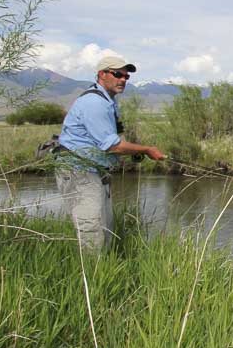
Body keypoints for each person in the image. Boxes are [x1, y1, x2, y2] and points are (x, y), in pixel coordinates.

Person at [56, 55, 166, 250]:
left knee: (104, 230)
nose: (123, 79)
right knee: (92, 230)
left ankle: (101, 270)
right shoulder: (94, 103)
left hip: (94, 172)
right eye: (117, 74)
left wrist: (131, 151)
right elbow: (111, 146)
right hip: (79, 172)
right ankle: (91, 276)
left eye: (126, 76)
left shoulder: (108, 100)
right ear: (102, 74)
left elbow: (106, 142)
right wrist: (147, 150)